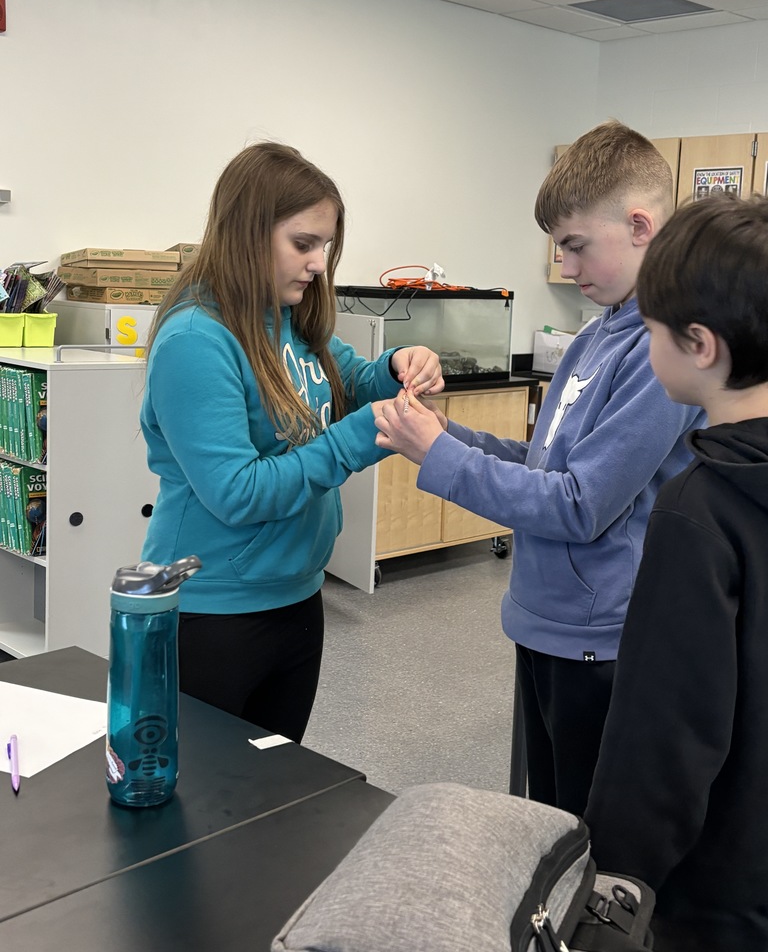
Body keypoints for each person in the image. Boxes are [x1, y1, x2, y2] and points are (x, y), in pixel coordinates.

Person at [374, 121, 704, 816]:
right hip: (545, 619)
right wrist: (443, 435)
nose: (566, 265)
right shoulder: (598, 331)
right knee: (543, 823)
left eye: (577, 245)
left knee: (585, 842)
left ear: (640, 225)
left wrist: (443, 459)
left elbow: (580, 504)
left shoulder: (659, 347)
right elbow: (544, 463)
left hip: (600, 639)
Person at [140, 141, 444, 743]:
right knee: (204, 805)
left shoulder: (288, 317)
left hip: (298, 595)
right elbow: (238, 493)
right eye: (303, 244)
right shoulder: (197, 340)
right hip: (214, 609)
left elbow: (346, 379)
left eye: (325, 247)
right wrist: (360, 436)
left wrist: (396, 367)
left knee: (273, 793)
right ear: (247, 234)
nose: (318, 264)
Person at [585, 195, 768, 951]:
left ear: (698, 343)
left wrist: (615, 873)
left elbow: (666, 731)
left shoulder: (696, 509)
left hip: (720, 891)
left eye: (653, 330)